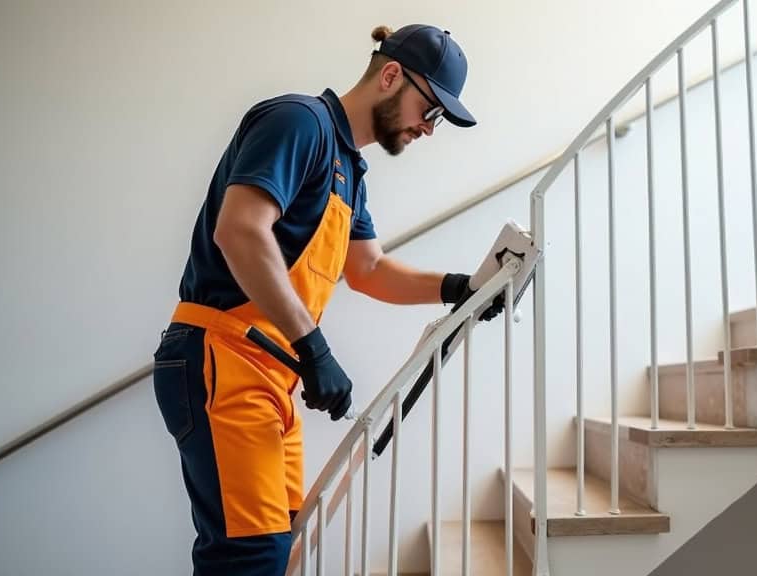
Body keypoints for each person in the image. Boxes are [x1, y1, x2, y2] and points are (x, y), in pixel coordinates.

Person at [152, 23, 502, 575]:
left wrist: (459, 286)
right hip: (222, 357)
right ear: (391, 75)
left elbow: (369, 270)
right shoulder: (300, 123)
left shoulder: (349, 172)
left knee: (281, 548)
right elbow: (240, 230)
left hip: (268, 374)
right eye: (430, 111)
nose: (428, 130)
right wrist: (313, 347)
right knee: (250, 557)